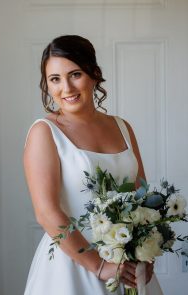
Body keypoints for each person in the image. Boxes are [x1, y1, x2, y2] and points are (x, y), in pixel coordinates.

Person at [23, 35, 164, 295]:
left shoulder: (123, 128)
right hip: (73, 266)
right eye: (55, 79)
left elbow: (141, 195)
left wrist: (146, 253)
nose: (65, 88)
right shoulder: (44, 132)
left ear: (94, 74)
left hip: (128, 262)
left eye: (75, 74)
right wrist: (98, 266)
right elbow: (46, 212)